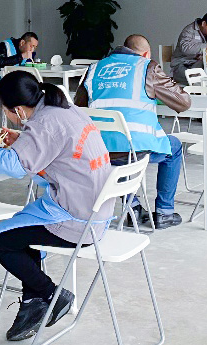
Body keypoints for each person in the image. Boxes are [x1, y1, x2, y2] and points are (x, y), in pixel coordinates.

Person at [0, 71, 116, 341]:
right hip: (96, 211)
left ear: (17, 110)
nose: (7, 117)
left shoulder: (44, 123)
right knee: (20, 227)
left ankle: (50, 294)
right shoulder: (64, 109)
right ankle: (32, 304)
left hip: (76, 218)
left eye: (5, 111)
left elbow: (14, 166)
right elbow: (55, 153)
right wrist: (23, 143)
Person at [75, 34, 190, 229]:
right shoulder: (147, 67)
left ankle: (133, 207)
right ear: (145, 54)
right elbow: (184, 103)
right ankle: (164, 212)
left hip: (98, 150)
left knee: (119, 149)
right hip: (136, 149)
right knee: (174, 147)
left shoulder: (94, 68)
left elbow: (79, 107)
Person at [171, 12, 207, 84]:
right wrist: (206, 46)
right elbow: (185, 48)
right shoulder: (189, 30)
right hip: (183, 66)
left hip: (199, 65)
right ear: (204, 23)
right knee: (201, 79)